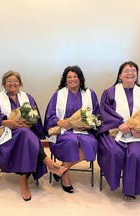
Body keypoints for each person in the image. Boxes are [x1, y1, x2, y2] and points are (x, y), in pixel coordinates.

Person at [0, 70, 67, 201]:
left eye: (15, 81)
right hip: (6, 137)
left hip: (25, 135)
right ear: (4, 84)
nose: (12, 83)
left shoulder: (28, 98)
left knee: (25, 134)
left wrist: (29, 124)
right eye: (9, 81)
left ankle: (24, 181)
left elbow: (36, 118)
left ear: (20, 83)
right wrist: (8, 122)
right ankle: (47, 162)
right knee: (26, 136)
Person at [97, 61, 140, 201]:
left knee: (136, 154)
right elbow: (104, 112)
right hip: (115, 133)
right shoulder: (110, 93)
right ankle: (114, 183)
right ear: (120, 75)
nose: (130, 73)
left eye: (133, 70)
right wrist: (120, 123)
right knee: (114, 151)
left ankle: (131, 190)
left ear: (137, 75)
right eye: (126, 70)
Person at [44, 65, 100, 193]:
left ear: (80, 79)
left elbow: (97, 114)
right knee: (70, 141)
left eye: (75, 76)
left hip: (84, 131)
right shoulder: (58, 95)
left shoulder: (90, 94)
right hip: (65, 131)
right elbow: (49, 115)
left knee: (92, 143)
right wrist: (59, 121)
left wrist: (89, 124)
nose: (72, 79)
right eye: (69, 77)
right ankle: (66, 179)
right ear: (65, 80)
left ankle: (61, 170)